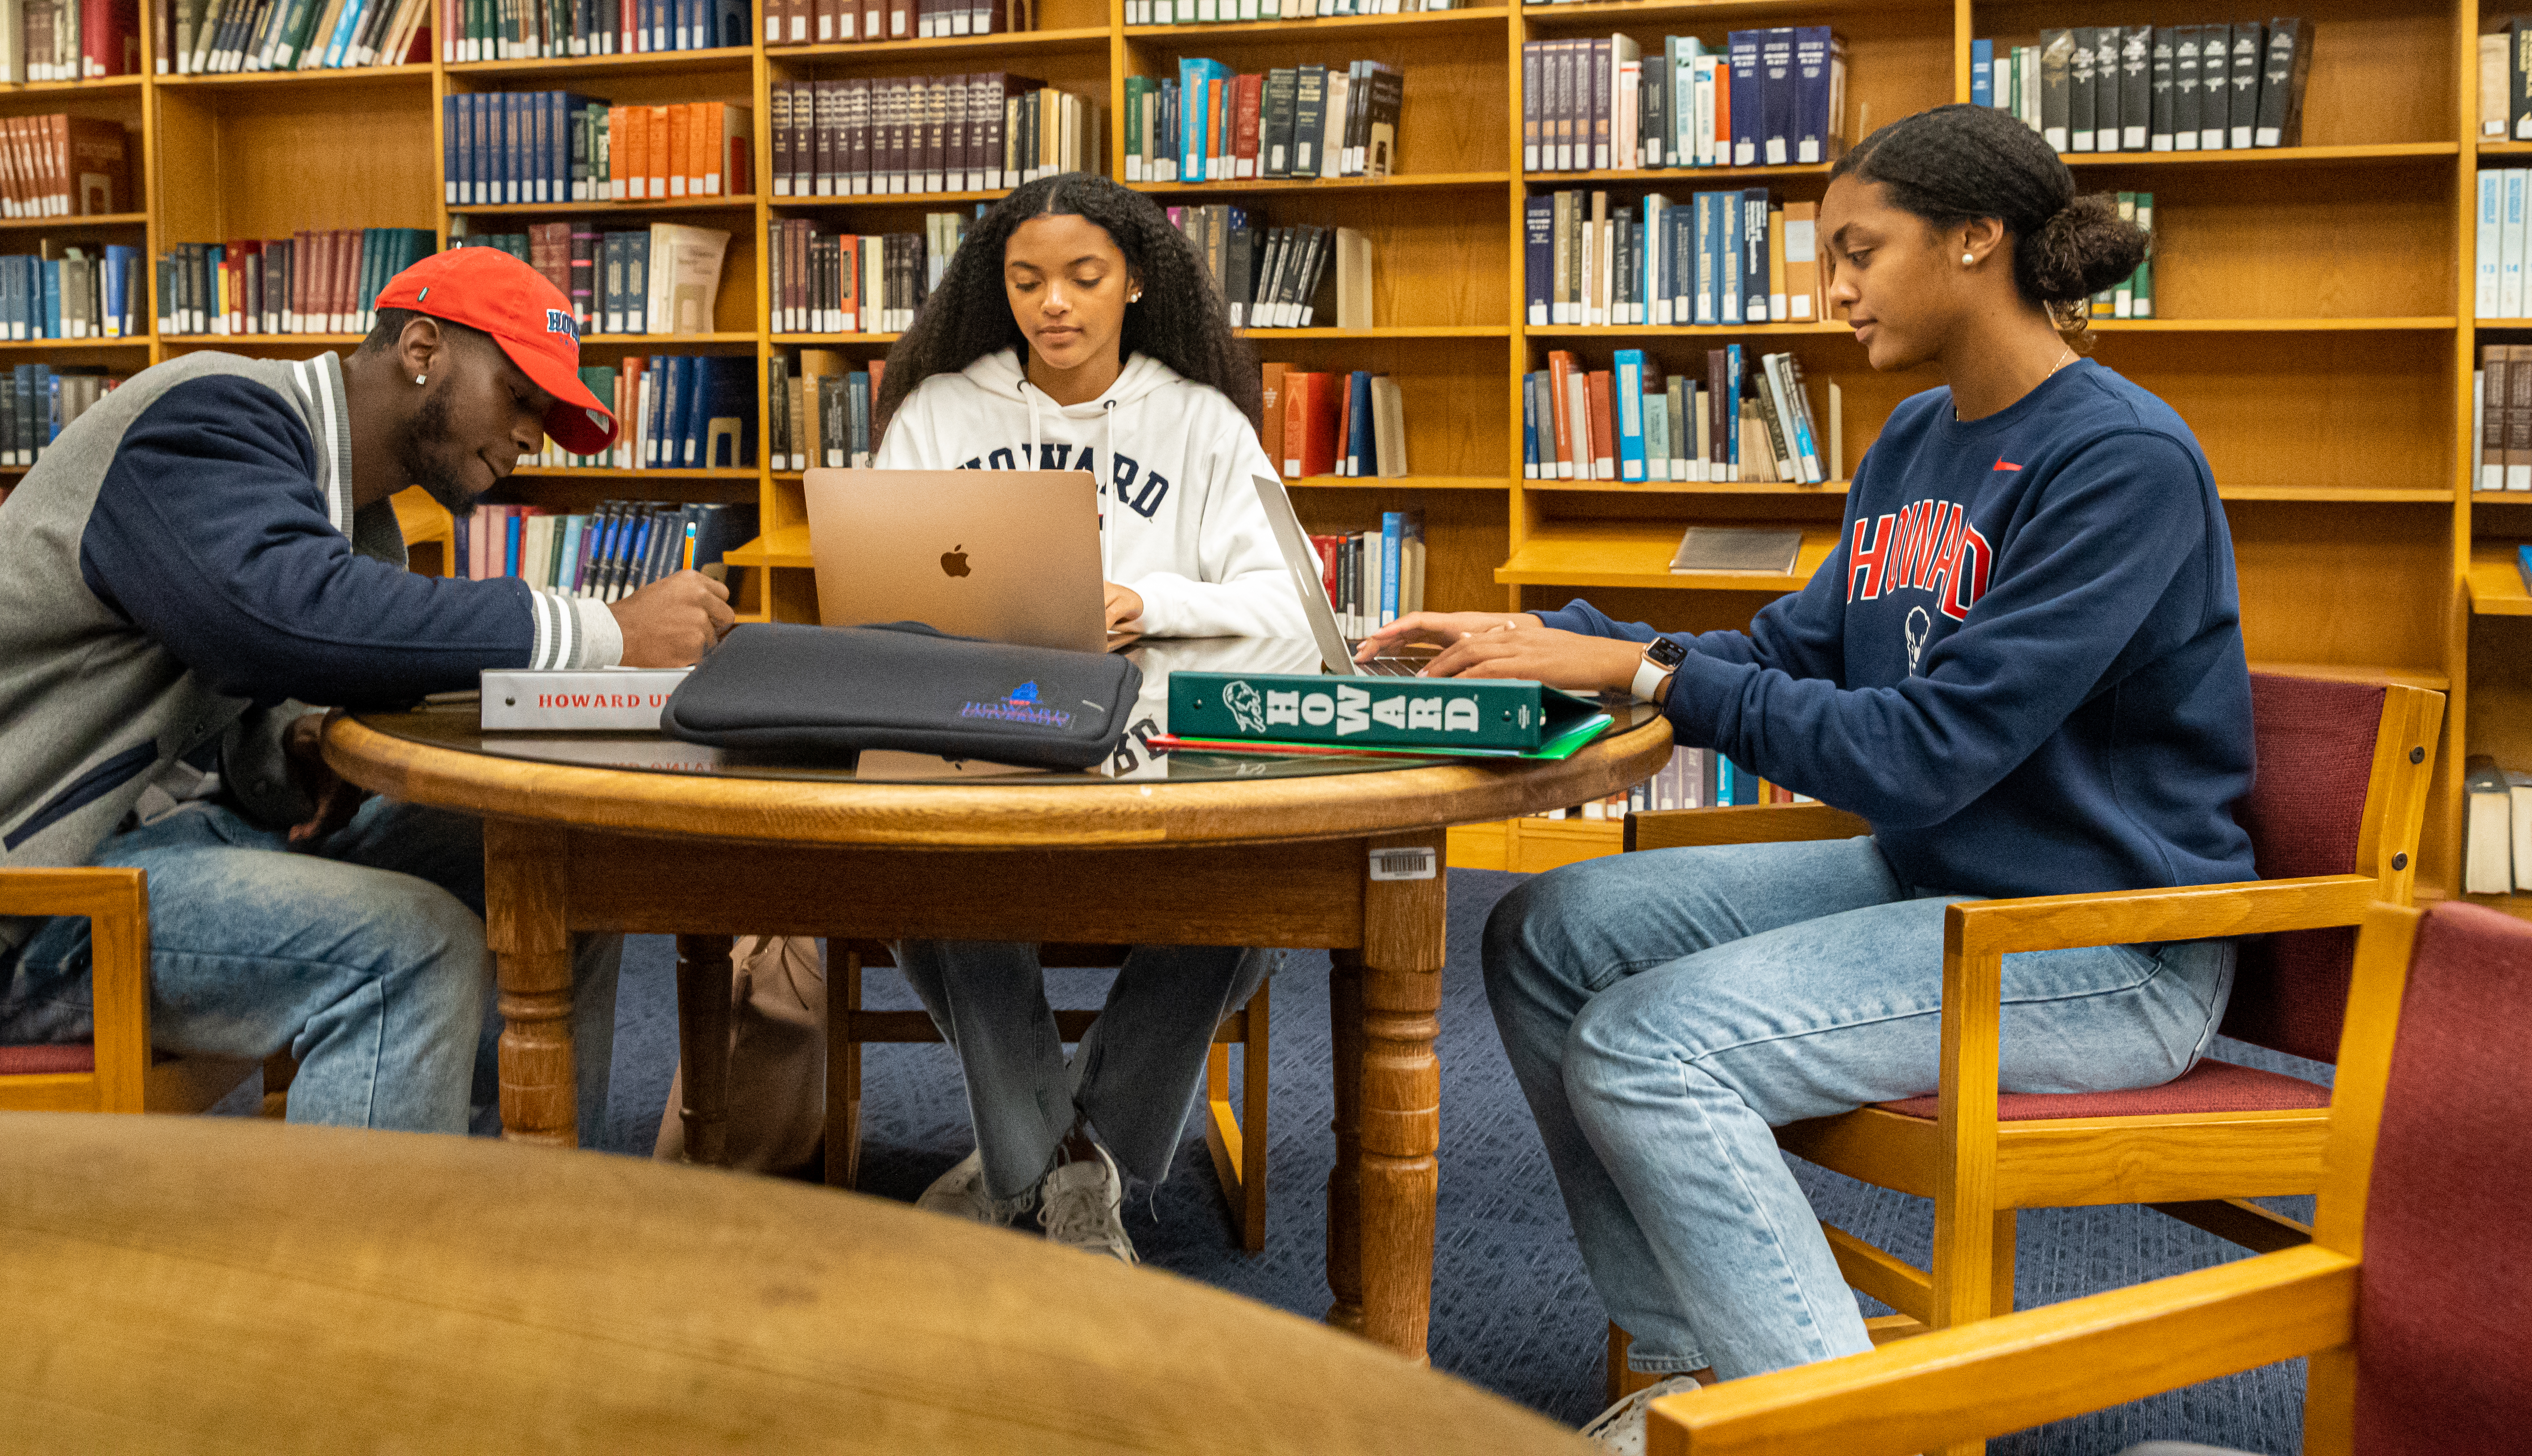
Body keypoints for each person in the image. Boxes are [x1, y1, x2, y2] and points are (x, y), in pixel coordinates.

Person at [1361, 106, 2257, 1448]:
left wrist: (1644, 681)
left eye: (1858, 249)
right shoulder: (1912, 443)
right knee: (1546, 933)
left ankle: (1825, 1424)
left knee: (1649, 1049)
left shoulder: (2118, 461)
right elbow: (1793, 652)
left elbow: (1922, 750)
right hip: (1940, 881)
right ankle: (1696, 1368)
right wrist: (1554, 644)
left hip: (2106, 941)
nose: (1831, 287)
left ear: (1975, 240)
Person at [0, 246, 733, 1136]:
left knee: (558, 861)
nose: (532, 435)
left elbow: (244, 677)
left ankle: (516, 1211)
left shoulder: (352, 516)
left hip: (163, 847)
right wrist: (604, 632)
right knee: (409, 950)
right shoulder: (208, 417)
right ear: (422, 348)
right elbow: (275, 616)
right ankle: (364, 1272)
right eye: (519, 396)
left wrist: (295, 744)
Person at [871, 171, 1300, 1260]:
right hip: (982, 735)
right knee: (925, 880)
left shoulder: (1202, 423)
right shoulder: (939, 412)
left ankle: (1045, 1147)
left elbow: (1292, 607)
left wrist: (1148, 599)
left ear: (1136, 282)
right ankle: (1072, 1165)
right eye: (1026, 280)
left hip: (1162, 745)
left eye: (1082, 276)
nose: (1052, 302)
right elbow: (877, 594)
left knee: (1247, 901)